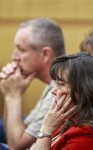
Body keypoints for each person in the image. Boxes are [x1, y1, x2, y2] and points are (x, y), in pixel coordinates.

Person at [33, 52, 93, 150]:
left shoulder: (89, 136)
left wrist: (46, 129)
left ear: (84, 91)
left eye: (61, 84)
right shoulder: (68, 121)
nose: (53, 91)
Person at [0, 18, 66, 150]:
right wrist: (10, 93)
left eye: (21, 50)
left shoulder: (58, 90)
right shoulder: (53, 82)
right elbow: (12, 134)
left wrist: (13, 96)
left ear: (45, 54)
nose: (14, 56)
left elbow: (16, 145)